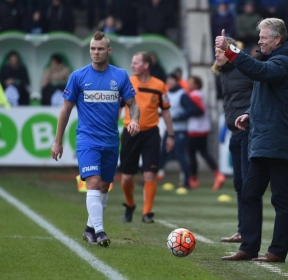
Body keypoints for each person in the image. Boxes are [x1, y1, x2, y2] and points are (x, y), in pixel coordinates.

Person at [215, 17, 288, 262]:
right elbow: (266, 98)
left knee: (280, 198)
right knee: (250, 193)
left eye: (263, 38)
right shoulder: (274, 60)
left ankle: (277, 251)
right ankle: (249, 247)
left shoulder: (285, 62)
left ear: (277, 39)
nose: (259, 41)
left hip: (280, 139)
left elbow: (261, 72)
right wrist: (249, 114)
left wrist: (231, 50)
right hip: (265, 137)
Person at [51, 31, 140, 247]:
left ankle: (89, 229)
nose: (96, 52)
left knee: (104, 187)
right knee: (93, 182)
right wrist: (57, 140)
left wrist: (134, 119)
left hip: (111, 140)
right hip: (87, 139)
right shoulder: (78, 76)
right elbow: (65, 111)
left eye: (100, 49)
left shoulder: (119, 75)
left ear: (108, 51)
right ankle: (100, 232)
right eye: (92, 48)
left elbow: (133, 104)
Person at [120, 51, 174, 224]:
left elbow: (165, 111)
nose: (132, 65)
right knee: (127, 177)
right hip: (130, 132)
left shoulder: (159, 86)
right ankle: (130, 205)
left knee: (150, 174)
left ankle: (147, 212)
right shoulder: (127, 82)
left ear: (146, 65)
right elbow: (118, 107)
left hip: (151, 133)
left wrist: (171, 135)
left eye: (135, 62)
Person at [212, 36, 253, 242]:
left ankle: (248, 234)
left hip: (247, 132)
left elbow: (260, 95)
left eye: (219, 51)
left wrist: (249, 114)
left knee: (247, 184)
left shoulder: (245, 69)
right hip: (234, 134)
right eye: (215, 51)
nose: (216, 55)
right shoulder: (224, 73)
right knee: (238, 184)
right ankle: (242, 230)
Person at [157, 73, 202, 188]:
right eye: (168, 80)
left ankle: (187, 181)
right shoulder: (166, 93)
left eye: (172, 80)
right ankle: (151, 178)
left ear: (177, 81)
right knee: (162, 153)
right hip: (169, 129)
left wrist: (179, 116)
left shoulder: (182, 94)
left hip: (181, 130)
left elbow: (193, 109)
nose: (170, 82)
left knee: (180, 155)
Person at [186, 75, 226, 191]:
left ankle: (193, 179)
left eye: (191, 82)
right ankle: (218, 174)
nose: (188, 84)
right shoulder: (200, 94)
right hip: (203, 128)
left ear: (196, 85)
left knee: (192, 154)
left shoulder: (194, 95)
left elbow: (199, 110)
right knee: (204, 153)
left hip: (195, 129)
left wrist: (184, 114)